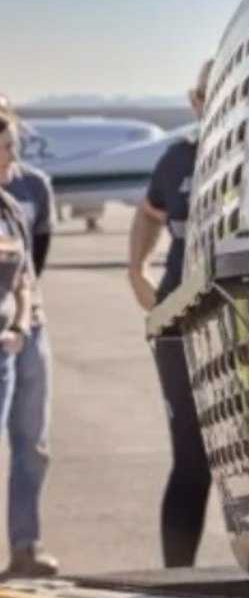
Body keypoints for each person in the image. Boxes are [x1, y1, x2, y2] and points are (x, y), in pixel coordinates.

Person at [126, 59, 212, 568]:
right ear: (193, 101)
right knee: (191, 460)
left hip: (246, 324)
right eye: (205, 94)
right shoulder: (177, 159)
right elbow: (150, 211)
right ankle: (179, 577)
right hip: (178, 325)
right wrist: (136, 268)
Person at [0, 98, 52, 576]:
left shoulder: (23, 194)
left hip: (25, 331)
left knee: (32, 443)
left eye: (13, 146)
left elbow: (30, 263)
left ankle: (24, 547)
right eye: (4, 148)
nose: (11, 158)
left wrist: (23, 317)